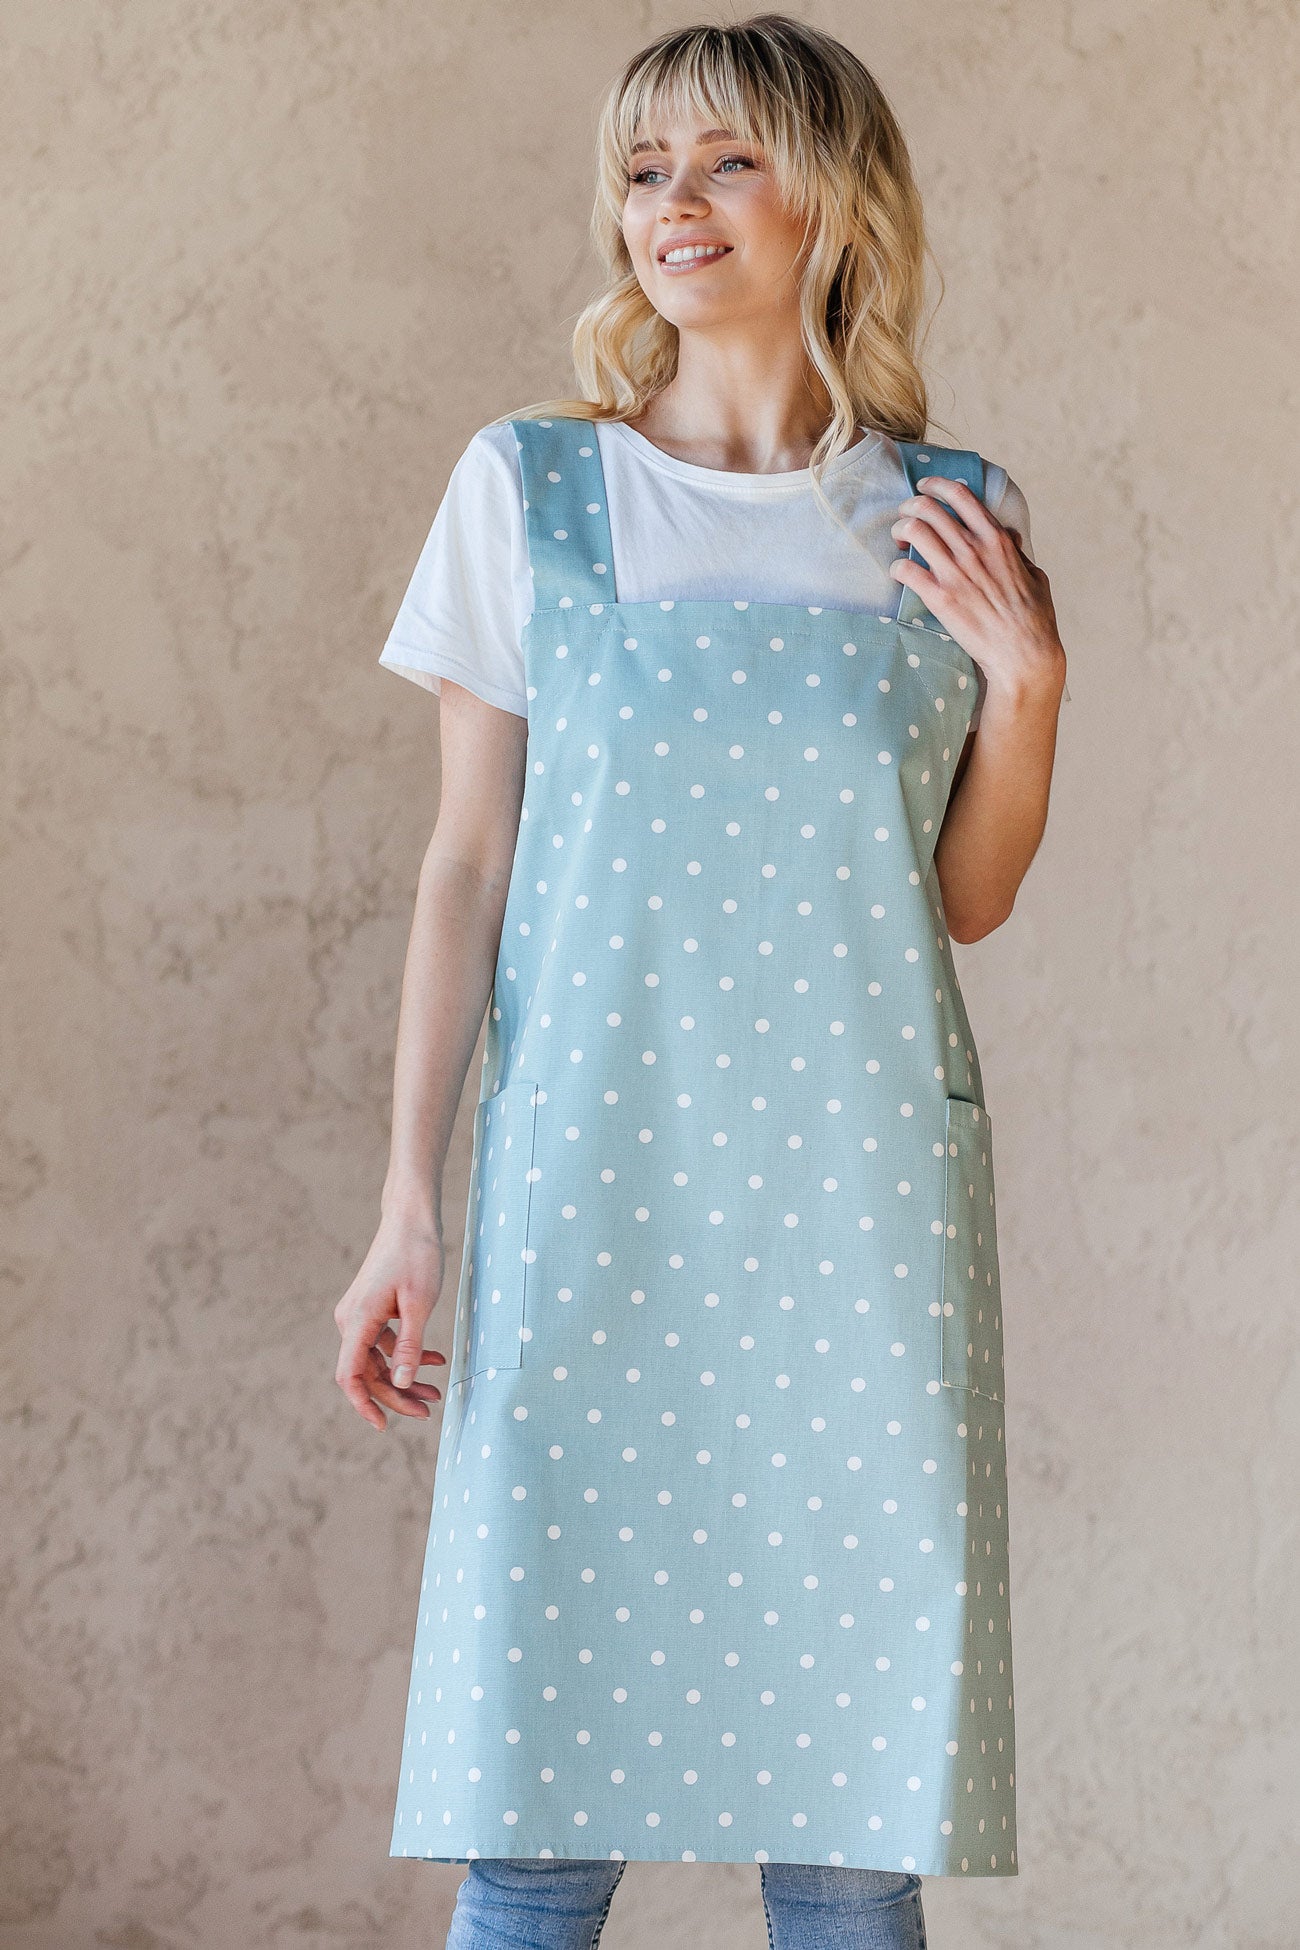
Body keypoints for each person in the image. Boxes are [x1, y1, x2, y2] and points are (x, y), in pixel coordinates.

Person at [335, 14, 1069, 1948]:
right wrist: (410, 1199)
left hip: (856, 1218)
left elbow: (966, 897)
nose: (675, 204)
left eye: (730, 161)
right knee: (535, 1829)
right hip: (595, 1196)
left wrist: (1029, 685)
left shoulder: (948, 517)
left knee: (846, 1841)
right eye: (647, 169)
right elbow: (466, 864)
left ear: (836, 202)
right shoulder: (531, 488)